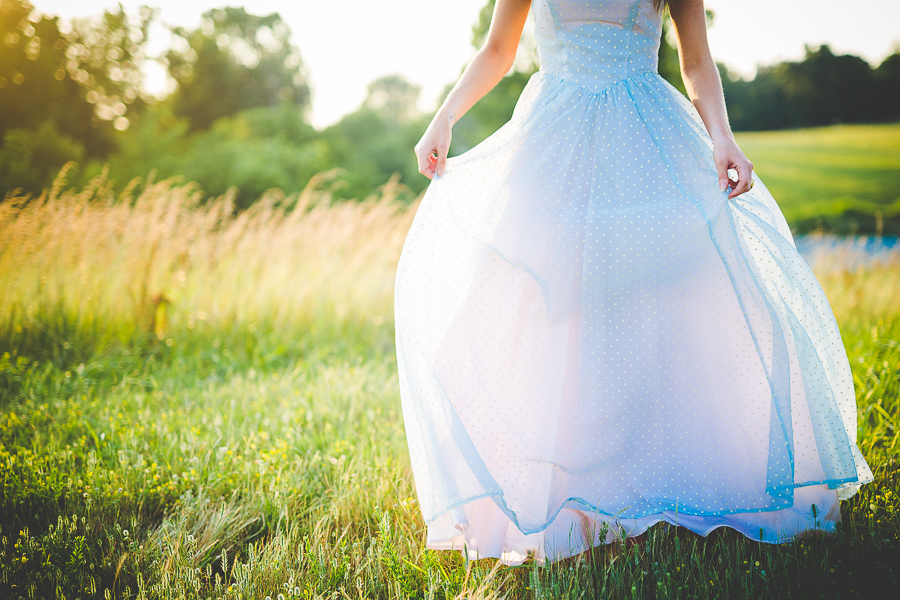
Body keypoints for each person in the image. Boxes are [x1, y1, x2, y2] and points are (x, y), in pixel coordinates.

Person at [394, 0, 873, 566]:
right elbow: (498, 49)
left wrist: (722, 137)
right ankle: (572, 503)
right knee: (552, 308)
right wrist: (444, 116)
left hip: (646, 133)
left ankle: (666, 485)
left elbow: (696, 61)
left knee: (662, 307)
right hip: (554, 138)